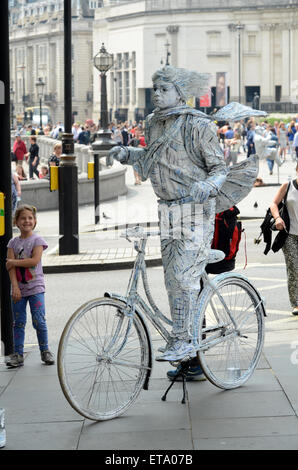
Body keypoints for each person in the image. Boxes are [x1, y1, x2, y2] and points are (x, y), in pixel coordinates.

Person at [109, 65, 260, 364]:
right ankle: (181, 337)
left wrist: (208, 184)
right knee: (171, 280)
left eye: (163, 89)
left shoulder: (198, 125)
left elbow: (219, 169)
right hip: (166, 209)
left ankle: (186, 341)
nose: (156, 94)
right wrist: (127, 155)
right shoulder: (153, 124)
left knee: (183, 277)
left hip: (195, 209)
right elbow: (152, 157)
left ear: (179, 92)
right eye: (155, 89)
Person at [5, 205, 55, 368]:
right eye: (23, 218)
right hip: (19, 289)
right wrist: (15, 287)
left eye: (30, 218)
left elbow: (34, 261)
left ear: (34, 221)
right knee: (18, 322)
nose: (27, 221)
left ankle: (45, 350)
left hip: (36, 288)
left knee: (39, 320)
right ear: (16, 222)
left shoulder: (38, 241)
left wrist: (13, 261)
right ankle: (18, 354)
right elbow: (10, 268)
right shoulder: (12, 243)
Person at [270, 163, 298, 315]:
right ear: (297, 170)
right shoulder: (288, 186)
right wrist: (278, 218)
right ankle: (296, 303)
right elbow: (274, 203)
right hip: (290, 235)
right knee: (294, 269)